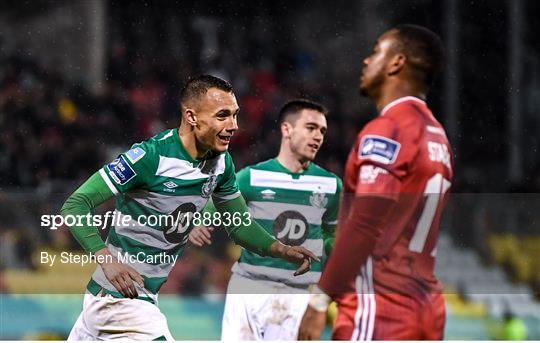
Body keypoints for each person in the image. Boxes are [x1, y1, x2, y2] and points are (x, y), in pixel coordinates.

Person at [60, 75, 318, 340]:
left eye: (235, 115)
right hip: (118, 301)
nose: (234, 125)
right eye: (223, 116)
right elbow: (75, 205)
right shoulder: (150, 157)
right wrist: (107, 260)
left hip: (133, 298)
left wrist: (281, 250)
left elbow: (239, 225)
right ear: (192, 117)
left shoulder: (221, 163)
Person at [298, 24, 453, 340]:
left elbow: (366, 224)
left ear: (396, 62)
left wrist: (319, 300)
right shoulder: (438, 136)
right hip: (426, 308)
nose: (367, 61)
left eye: (375, 52)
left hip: (380, 308)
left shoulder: (388, 129)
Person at [189, 99, 342, 340]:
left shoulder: (332, 185)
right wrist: (202, 221)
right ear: (287, 130)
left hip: (298, 295)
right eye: (311, 128)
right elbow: (218, 200)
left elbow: (332, 238)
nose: (318, 136)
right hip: (248, 288)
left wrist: (344, 264)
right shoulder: (253, 177)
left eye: (322, 131)